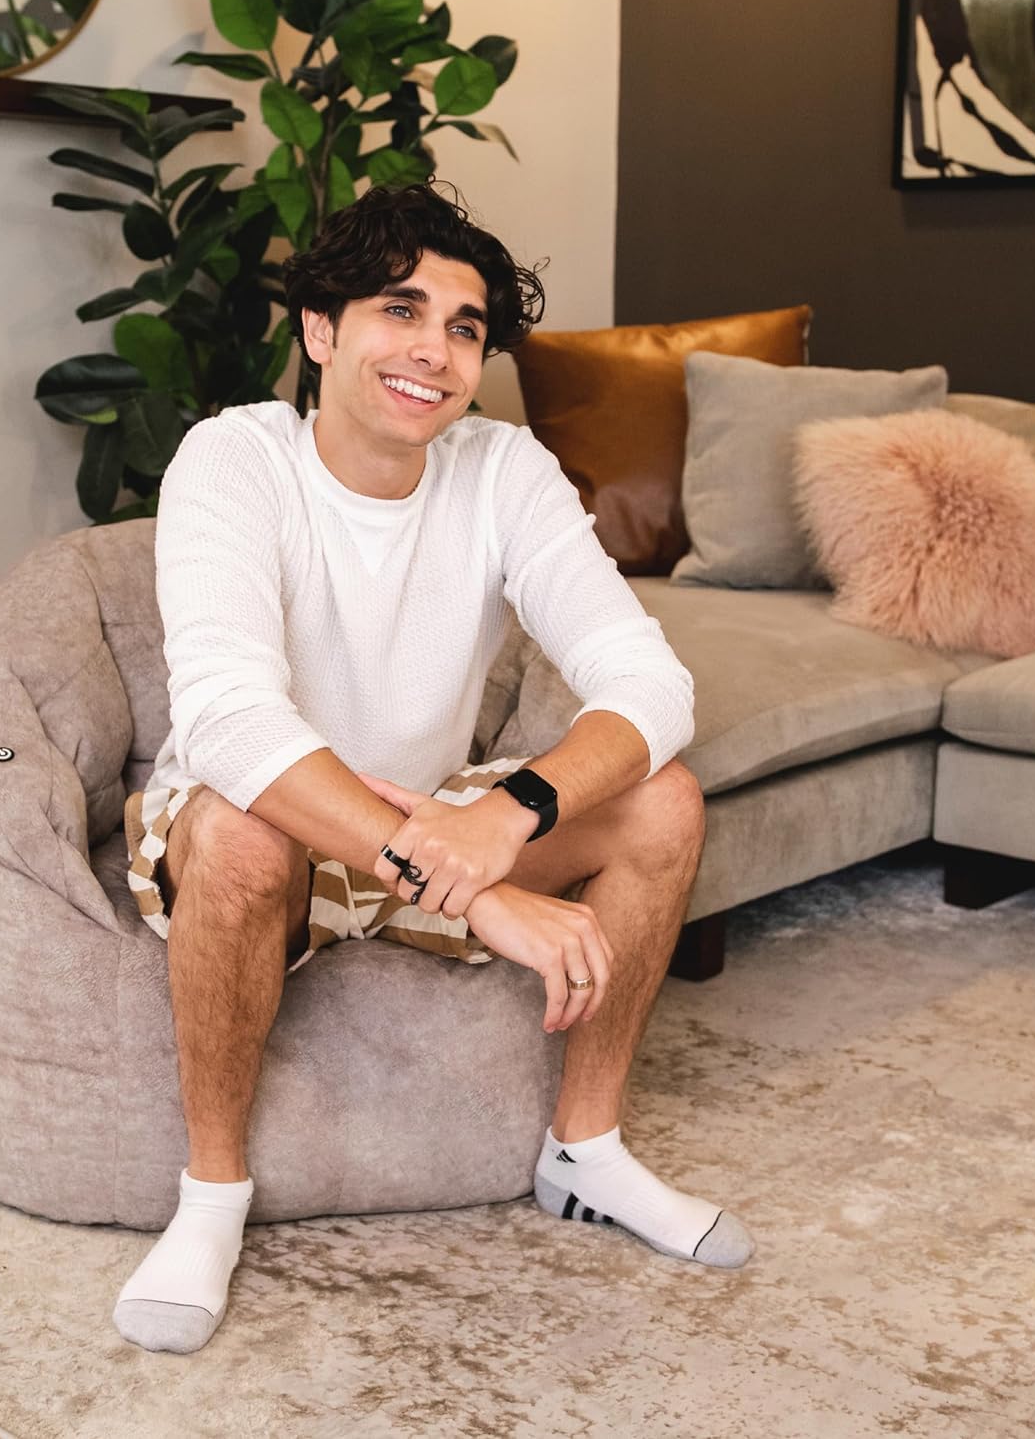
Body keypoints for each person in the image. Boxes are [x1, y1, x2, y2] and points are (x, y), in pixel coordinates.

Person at [113, 182, 753, 1356]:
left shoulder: (503, 468)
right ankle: (212, 1193)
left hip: (422, 818)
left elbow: (653, 687)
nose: (434, 350)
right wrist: (478, 894)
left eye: (464, 328)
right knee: (246, 833)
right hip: (261, 823)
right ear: (321, 330)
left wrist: (507, 820)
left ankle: (587, 1149)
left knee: (662, 801)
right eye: (399, 311)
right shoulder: (235, 457)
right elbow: (233, 723)